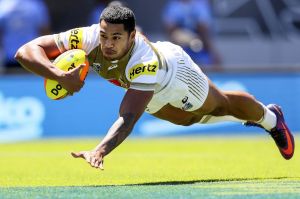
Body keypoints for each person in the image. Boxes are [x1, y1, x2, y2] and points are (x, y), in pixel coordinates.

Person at [15, 5, 294, 170]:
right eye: (104, 36)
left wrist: (99, 150)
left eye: (116, 37)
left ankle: (270, 118)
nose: (108, 44)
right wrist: (57, 74)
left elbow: (128, 116)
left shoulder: (143, 60)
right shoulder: (86, 38)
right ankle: (254, 118)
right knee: (187, 121)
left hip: (173, 72)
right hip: (140, 85)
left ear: (132, 36)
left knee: (216, 104)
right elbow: (26, 51)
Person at [162, 0, 221, 70]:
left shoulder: (201, 4)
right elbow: (170, 29)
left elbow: (204, 28)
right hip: (180, 47)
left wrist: (211, 51)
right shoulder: (173, 5)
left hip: (200, 46)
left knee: (211, 62)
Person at [0, 0, 50, 72]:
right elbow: (44, 31)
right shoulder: (36, 5)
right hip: (32, 57)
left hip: (12, 57)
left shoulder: (3, 5)